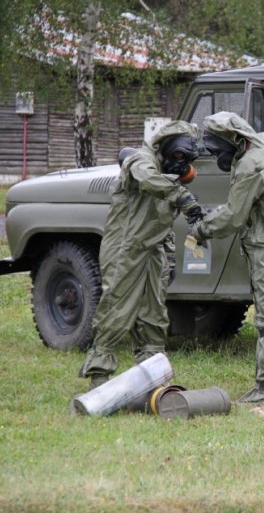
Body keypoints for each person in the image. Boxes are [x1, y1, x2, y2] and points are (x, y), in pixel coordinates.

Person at [189, 111, 264, 403]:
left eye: (219, 148)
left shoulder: (252, 165)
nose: (218, 156)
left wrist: (201, 229)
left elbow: (233, 216)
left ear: (236, 139)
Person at [79, 121, 204, 390]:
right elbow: (149, 181)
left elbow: (164, 221)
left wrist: (169, 258)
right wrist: (182, 196)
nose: (181, 164)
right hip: (126, 247)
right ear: (166, 146)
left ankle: (151, 376)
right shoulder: (142, 161)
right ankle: (99, 376)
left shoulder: (168, 176)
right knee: (117, 310)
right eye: (179, 155)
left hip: (154, 249)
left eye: (188, 159)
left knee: (154, 316)